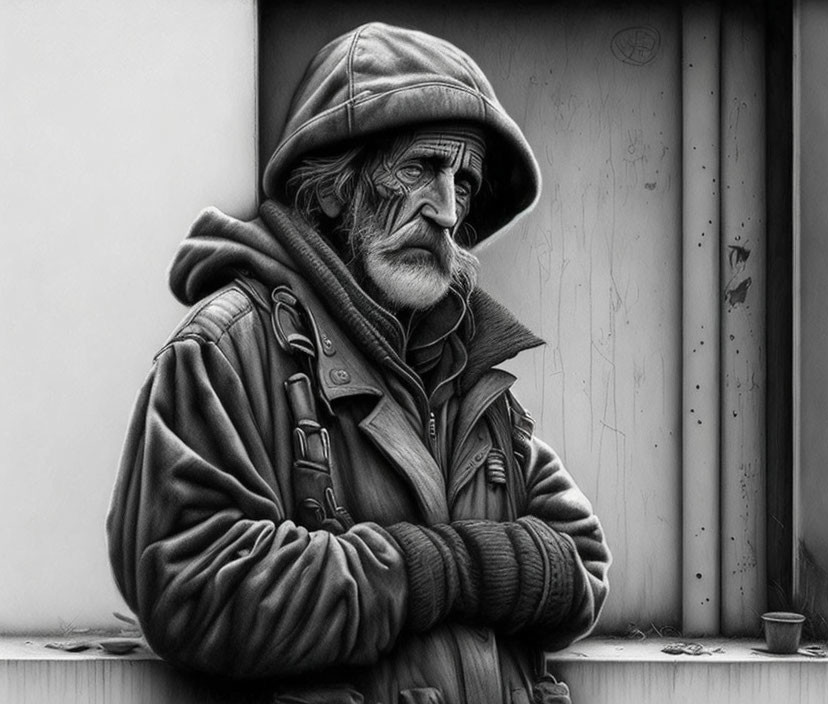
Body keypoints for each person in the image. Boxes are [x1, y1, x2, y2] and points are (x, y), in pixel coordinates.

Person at [107, 22, 610, 704]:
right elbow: (197, 587)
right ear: (335, 184)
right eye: (420, 168)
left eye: (464, 182)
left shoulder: (461, 366)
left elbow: (579, 563)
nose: (445, 209)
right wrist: (439, 567)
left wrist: (465, 565)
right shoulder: (225, 350)